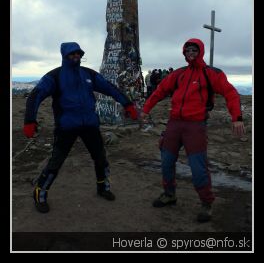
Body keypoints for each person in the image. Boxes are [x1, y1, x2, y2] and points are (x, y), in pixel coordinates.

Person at [23, 42, 138, 213]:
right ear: (65, 55)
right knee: (56, 162)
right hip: (66, 127)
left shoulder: (88, 74)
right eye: (72, 54)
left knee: (100, 158)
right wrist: (29, 121)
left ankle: (103, 187)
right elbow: (35, 96)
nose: (76, 57)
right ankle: (40, 192)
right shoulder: (55, 76)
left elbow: (110, 88)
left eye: (78, 54)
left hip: (90, 124)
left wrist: (127, 104)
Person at [140, 38, 245, 222]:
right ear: (184, 52)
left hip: (195, 126)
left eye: (194, 50)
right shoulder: (179, 74)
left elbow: (230, 93)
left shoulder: (211, 73)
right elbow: (160, 91)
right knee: (166, 161)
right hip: (174, 124)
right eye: (187, 50)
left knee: (197, 167)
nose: (190, 53)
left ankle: (206, 203)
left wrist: (236, 118)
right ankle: (169, 194)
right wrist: (146, 109)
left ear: (200, 51)